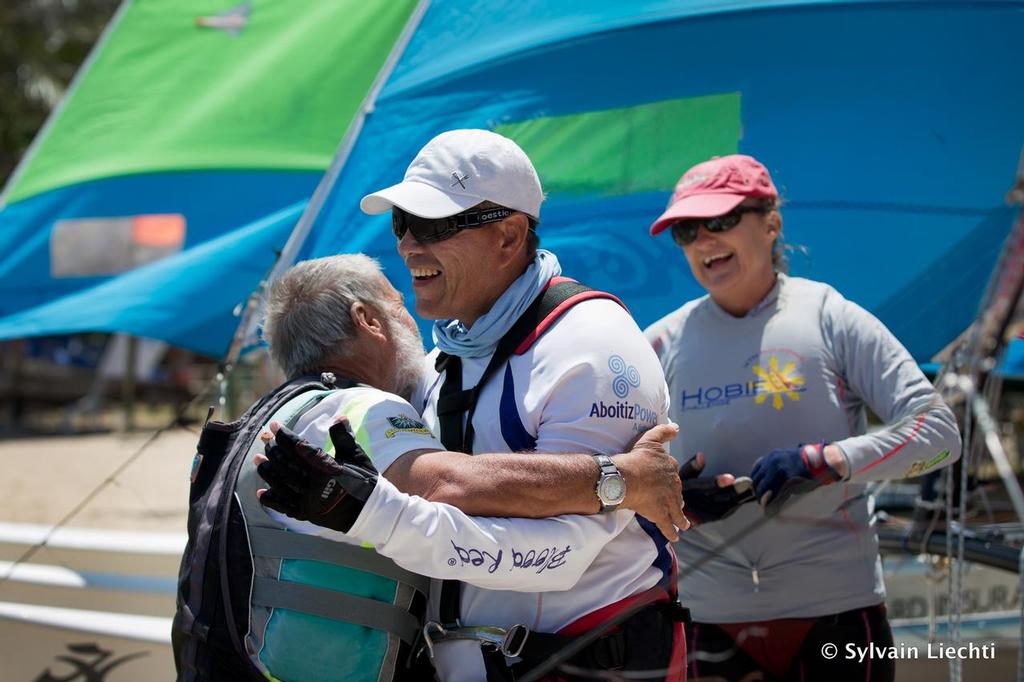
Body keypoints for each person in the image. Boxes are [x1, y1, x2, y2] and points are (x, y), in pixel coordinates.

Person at [343, 128, 688, 681]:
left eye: (431, 224)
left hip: (589, 664)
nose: (408, 245)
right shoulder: (447, 354)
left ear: (508, 236)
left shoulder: (591, 345)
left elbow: (563, 555)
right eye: (401, 223)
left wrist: (379, 517)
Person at [254, 252, 687, 682]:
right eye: (399, 306)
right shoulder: (365, 407)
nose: (417, 328)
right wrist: (619, 479)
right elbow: (449, 483)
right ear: (367, 320)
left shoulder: (273, 413)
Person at [644, 154, 963, 681]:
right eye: (685, 230)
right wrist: (670, 498)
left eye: (720, 221)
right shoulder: (657, 344)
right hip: (709, 620)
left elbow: (940, 434)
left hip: (839, 615)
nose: (703, 240)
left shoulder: (831, 316)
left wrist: (830, 460)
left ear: (771, 223)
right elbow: (602, 476)